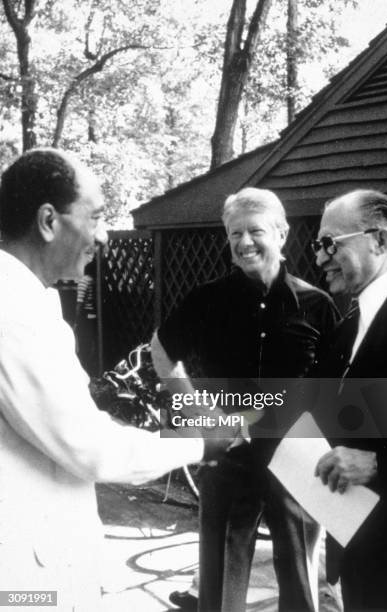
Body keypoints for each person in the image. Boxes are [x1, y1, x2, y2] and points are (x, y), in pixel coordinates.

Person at [0, 148, 232, 612]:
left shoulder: (29, 301)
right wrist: (201, 443)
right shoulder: (14, 313)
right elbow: (91, 448)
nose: (105, 235)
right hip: (28, 588)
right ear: (48, 220)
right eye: (98, 216)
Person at [151, 187, 339, 612]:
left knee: (301, 581)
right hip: (227, 456)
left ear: (282, 234)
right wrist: (196, 410)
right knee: (219, 588)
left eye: (255, 230)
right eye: (234, 233)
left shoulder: (317, 305)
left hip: (295, 457)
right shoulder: (207, 298)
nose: (243, 242)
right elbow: (161, 349)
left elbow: (332, 389)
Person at [312, 189, 387, 611]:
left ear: (381, 240)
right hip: (359, 554)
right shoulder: (349, 324)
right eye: (318, 247)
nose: (320, 259)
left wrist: (378, 463)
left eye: (331, 244)